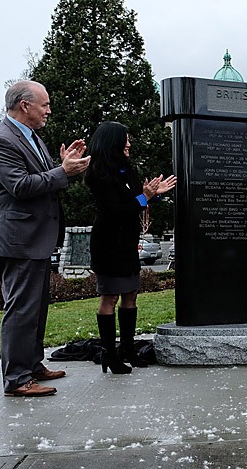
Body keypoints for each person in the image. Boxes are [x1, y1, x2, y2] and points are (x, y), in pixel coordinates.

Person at [0, 80, 90, 397]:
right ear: (24, 105)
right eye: (44, 104)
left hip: (35, 237)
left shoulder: (31, 138)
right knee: (21, 309)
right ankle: (17, 379)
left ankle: (31, 364)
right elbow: (21, 186)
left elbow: (43, 179)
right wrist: (64, 172)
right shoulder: (1, 141)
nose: (49, 110)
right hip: (19, 239)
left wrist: (62, 165)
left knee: (36, 307)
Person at [84, 121, 176, 374]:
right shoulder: (97, 173)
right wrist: (144, 197)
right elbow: (116, 209)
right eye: (124, 139)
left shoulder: (127, 170)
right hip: (108, 243)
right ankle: (109, 355)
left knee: (131, 294)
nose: (129, 144)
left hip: (127, 242)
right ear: (112, 141)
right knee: (110, 297)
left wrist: (153, 194)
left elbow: (135, 202)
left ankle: (127, 350)